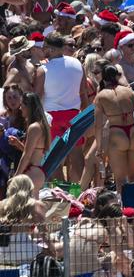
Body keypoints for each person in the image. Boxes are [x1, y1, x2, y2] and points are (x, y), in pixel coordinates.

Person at [34, 32, 88, 182]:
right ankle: (77, 190)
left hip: (51, 117)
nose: (43, 50)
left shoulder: (43, 69)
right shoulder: (78, 64)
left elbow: (37, 98)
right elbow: (83, 93)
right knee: (76, 154)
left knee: (53, 156)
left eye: (44, 47)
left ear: (51, 49)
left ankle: (59, 189)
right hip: (74, 115)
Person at [94, 65, 134, 192]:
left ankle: (123, 209)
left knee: (120, 179)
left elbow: (98, 125)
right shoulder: (128, 91)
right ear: (117, 76)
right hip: (133, 133)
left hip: (117, 134)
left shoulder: (101, 96)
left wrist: (99, 146)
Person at [0, 175, 48, 265]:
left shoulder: (2, 205)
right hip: (26, 254)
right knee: (62, 246)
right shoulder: (35, 205)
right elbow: (44, 232)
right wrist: (52, 250)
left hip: (3, 255)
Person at [11, 92, 50, 197]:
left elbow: (27, 155)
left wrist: (16, 175)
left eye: (22, 105)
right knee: (33, 208)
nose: (20, 108)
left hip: (31, 173)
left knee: (26, 209)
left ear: (28, 106)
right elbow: (33, 151)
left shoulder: (34, 127)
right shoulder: (41, 125)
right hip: (37, 172)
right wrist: (19, 144)